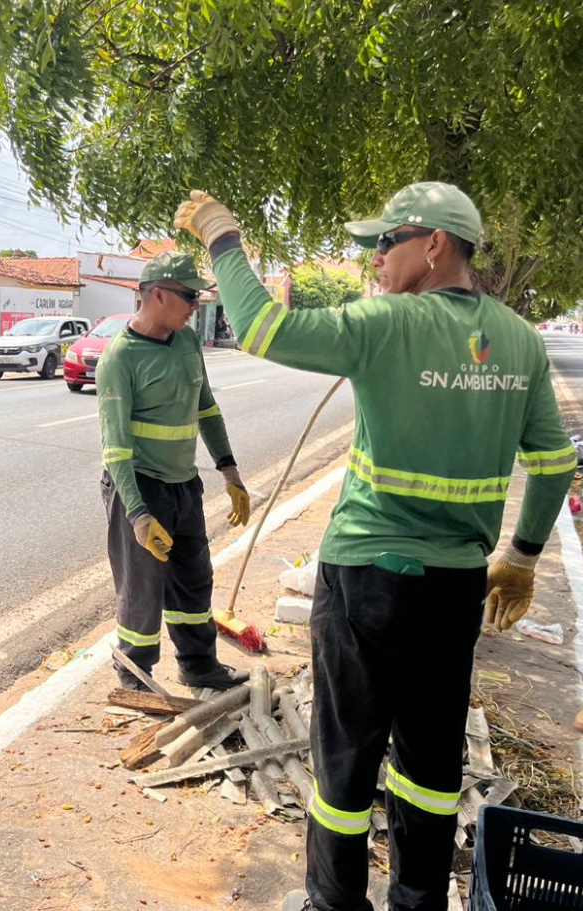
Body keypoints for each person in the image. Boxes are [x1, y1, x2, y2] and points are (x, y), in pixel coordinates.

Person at [175, 183, 575, 911]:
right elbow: (553, 462)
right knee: (429, 764)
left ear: (435, 245)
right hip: (454, 591)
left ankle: (334, 903)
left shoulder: (386, 323)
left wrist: (222, 235)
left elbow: (260, 326)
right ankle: (418, 902)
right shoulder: (515, 338)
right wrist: (519, 556)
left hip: (365, 582)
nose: (375, 258)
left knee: (344, 761)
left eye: (386, 242)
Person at [96, 251, 252, 693]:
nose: (196, 305)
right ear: (157, 294)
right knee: (142, 590)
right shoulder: (119, 358)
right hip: (139, 486)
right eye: (189, 296)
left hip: (184, 485)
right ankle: (135, 678)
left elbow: (207, 410)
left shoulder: (186, 343)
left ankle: (199, 666)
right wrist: (139, 515)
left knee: (195, 578)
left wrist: (230, 471)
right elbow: (116, 449)